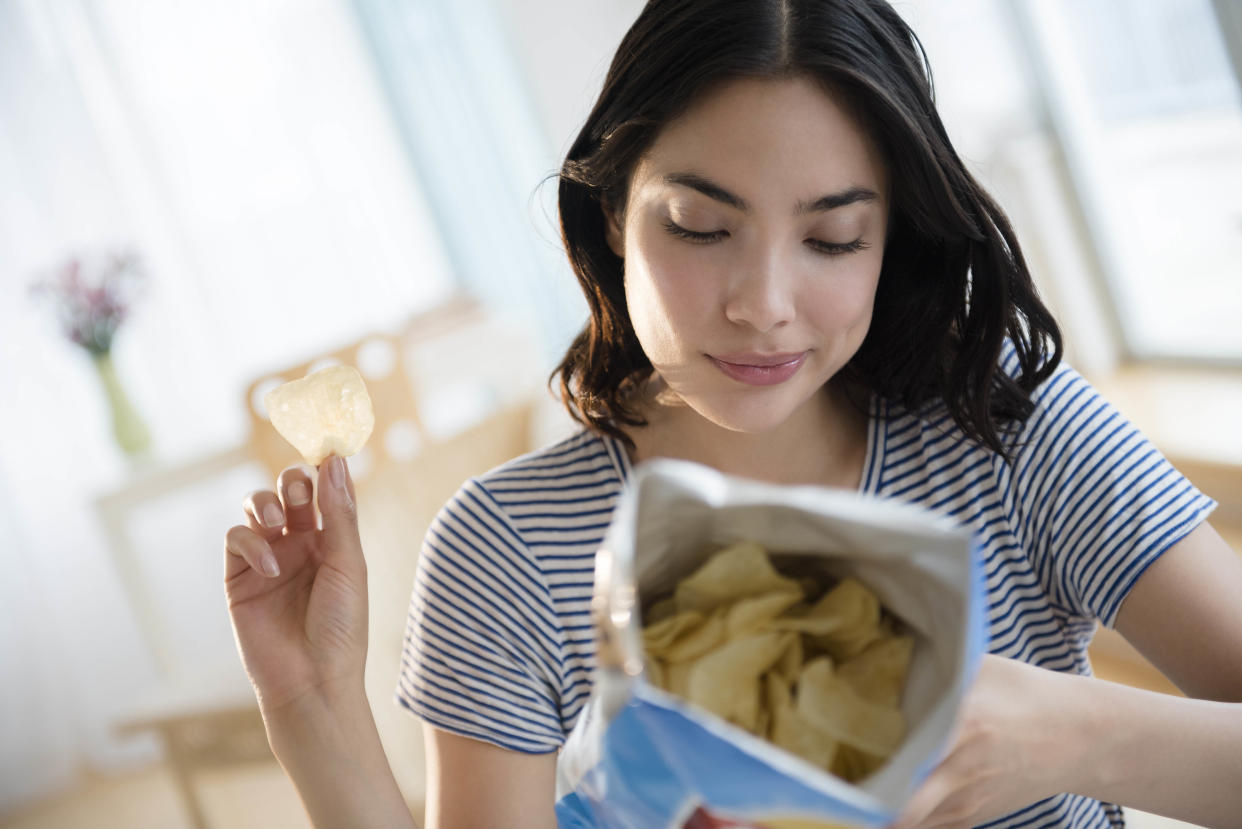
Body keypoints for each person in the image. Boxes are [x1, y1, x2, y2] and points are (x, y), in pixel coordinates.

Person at [223, 0, 1242, 826]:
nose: (763, 303)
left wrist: (1074, 736)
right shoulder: (511, 549)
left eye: (833, 239)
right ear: (613, 213)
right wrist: (309, 707)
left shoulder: (1007, 426)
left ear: (894, 241)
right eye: (702, 227)